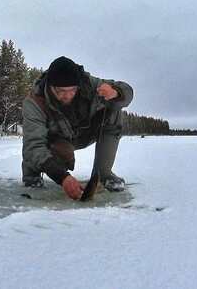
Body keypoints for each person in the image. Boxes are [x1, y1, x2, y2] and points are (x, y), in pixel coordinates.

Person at [21, 56, 133, 200]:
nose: (67, 95)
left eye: (72, 90)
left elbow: (128, 91)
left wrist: (116, 92)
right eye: (61, 91)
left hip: (83, 133)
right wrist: (63, 178)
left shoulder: (89, 84)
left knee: (115, 108)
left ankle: (103, 174)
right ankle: (32, 173)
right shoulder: (34, 102)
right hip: (57, 140)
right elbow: (34, 145)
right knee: (35, 147)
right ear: (50, 86)